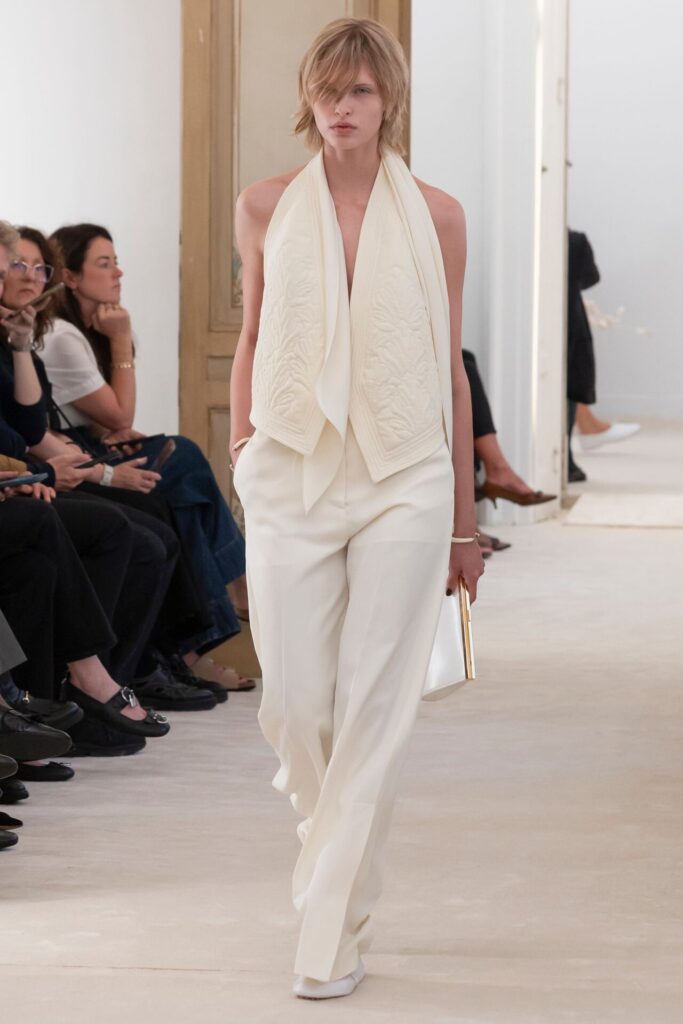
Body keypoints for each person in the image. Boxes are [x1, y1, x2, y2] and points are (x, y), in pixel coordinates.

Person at [231, 18, 484, 999]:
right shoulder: (264, 205)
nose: (342, 107)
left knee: (374, 707)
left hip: (404, 476)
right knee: (296, 705)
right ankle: (333, 855)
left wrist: (462, 520)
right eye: (329, 89)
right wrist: (244, 453)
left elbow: (450, 369)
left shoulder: (438, 215)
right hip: (291, 468)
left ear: (388, 102)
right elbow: (253, 332)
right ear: (307, 97)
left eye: (361, 92)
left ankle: (328, 934)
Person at [9, 225, 252, 692]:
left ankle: (176, 651)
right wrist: (120, 342)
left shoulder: (62, 334)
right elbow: (114, 414)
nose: (118, 273)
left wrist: (106, 434)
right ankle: (199, 629)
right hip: (58, 462)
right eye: (104, 264)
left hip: (74, 452)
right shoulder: (60, 336)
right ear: (71, 278)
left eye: (39, 269)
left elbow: (105, 420)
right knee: (174, 476)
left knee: (172, 491)